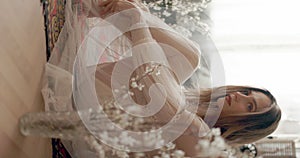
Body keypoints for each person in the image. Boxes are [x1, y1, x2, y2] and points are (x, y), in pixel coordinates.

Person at [43, 0, 281, 157]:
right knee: (190, 57)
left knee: (167, 84)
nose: (240, 96)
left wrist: (139, 25)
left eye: (249, 105)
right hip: (95, 95)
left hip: (92, 129)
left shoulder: (202, 137)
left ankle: (131, 18)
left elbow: (157, 95)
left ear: (245, 126)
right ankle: (116, 11)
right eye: (247, 92)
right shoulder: (191, 103)